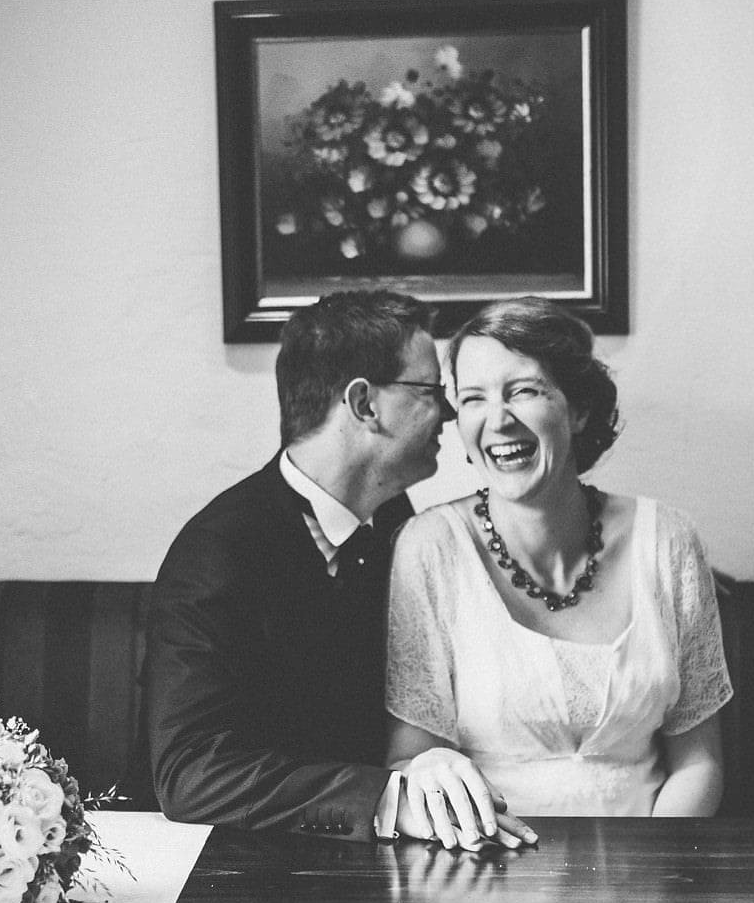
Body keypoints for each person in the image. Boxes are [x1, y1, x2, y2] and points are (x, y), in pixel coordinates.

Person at [146, 289, 532, 848]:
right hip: (233, 869)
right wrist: (385, 799)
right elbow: (190, 775)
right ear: (364, 404)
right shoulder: (217, 553)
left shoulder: (395, 518)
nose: (450, 413)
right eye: (430, 392)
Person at [385, 297, 731, 817]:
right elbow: (410, 760)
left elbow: (699, 762)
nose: (497, 421)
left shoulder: (668, 540)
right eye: (473, 399)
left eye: (523, 390)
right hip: (485, 868)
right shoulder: (430, 547)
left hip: (651, 866)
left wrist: (657, 869)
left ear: (578, 409)